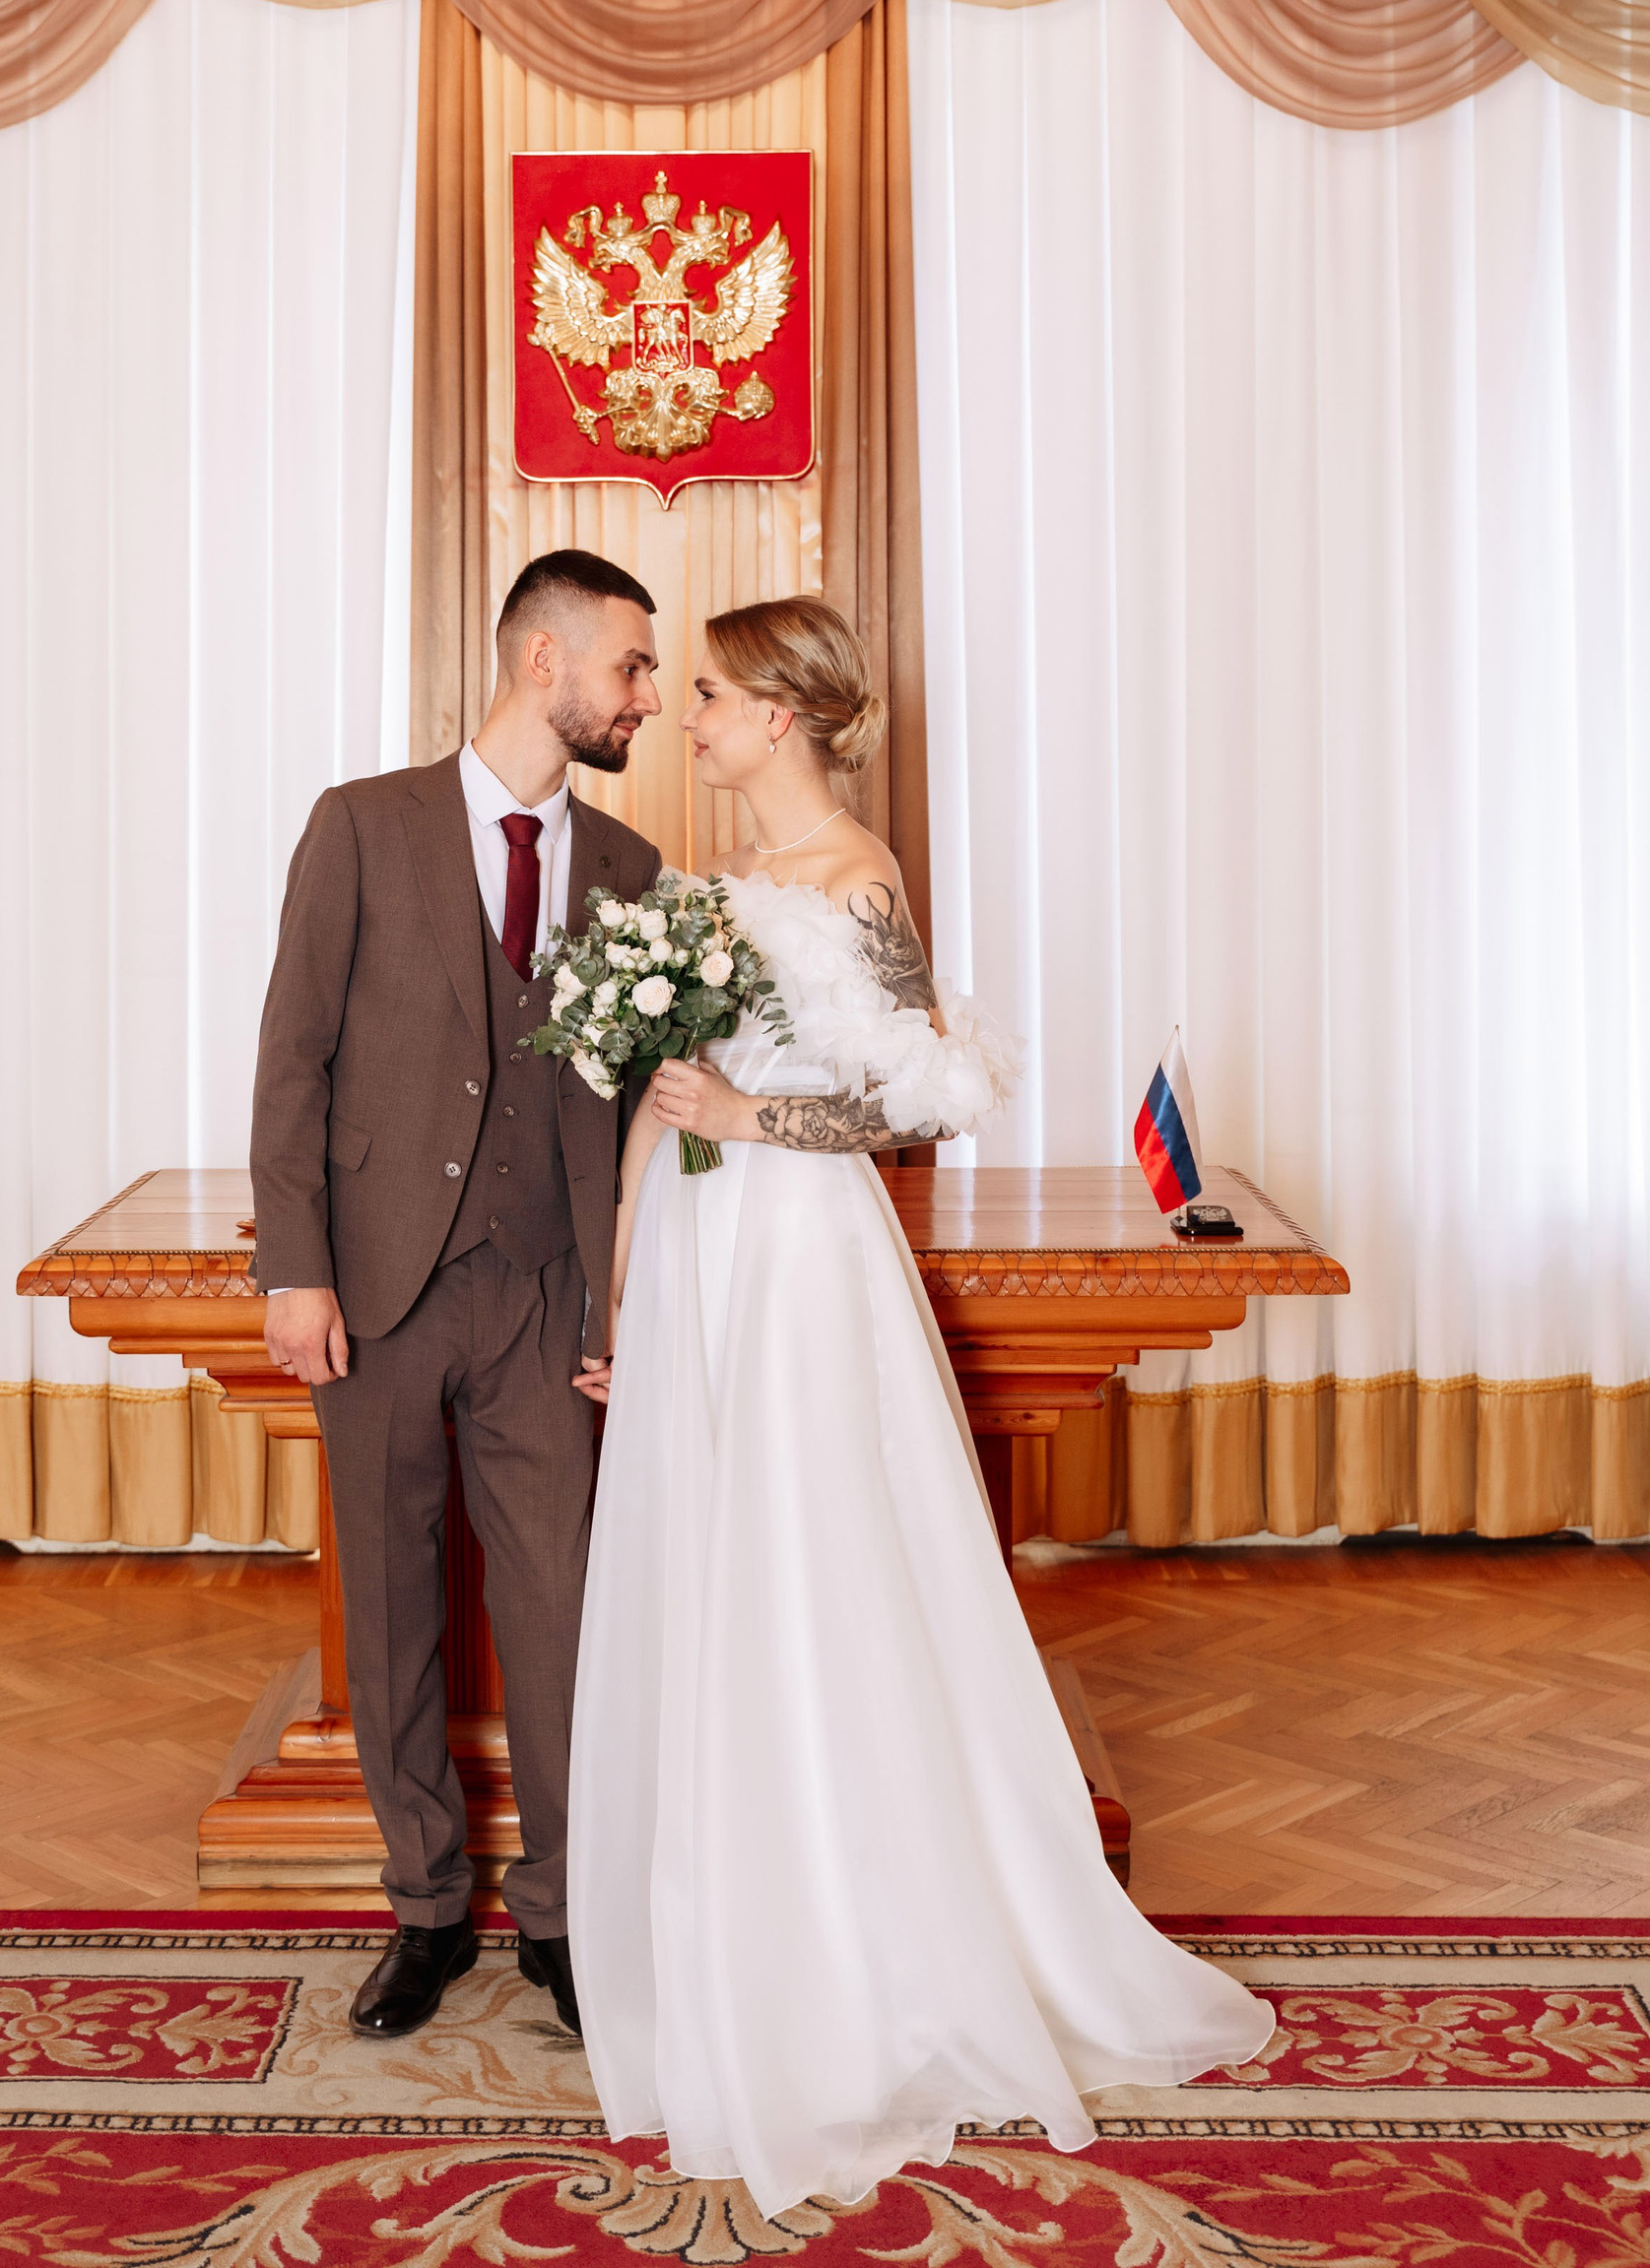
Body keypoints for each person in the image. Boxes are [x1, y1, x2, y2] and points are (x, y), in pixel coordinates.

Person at [567, 594, 1273, 2219]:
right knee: (705, 1568)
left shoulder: (859, 880)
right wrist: (621, 1287)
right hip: (696, 1254)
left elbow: (918, 1100)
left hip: (802, 1257)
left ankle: (859, 1944)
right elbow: (653, 1104)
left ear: (784, 717)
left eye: (715, 696)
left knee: (811, 1569)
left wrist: (749, 1115)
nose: (692, 718)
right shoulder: (705, 891)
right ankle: (729, 1931)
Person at [250, 550, 664, 2045]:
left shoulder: (629, 870)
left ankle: (560, 1916)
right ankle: (426, 1907)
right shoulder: (362, 826)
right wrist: (295, 1268)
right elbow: (293, 1057)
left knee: (562, 1612)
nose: (646, 697)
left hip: (547, 1293)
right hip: (376, 1287)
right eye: (630, 665)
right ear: (543, 660)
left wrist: (624, 1306)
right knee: (391, 1605)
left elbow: (637, 1115)